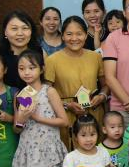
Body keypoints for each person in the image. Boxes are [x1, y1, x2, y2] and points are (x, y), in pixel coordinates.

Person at [45, 16, 108, 148]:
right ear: (62, 36)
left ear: (85, 35)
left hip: (93, 113)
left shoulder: (95, 57)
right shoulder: (52, 60)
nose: (74, 38)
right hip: (66, 115)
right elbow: (45, 93)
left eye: (79, 34)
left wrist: (101, 96)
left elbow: (105, 86)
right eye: (69, 34)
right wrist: (67, 105)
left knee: (95, 153)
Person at [0, 10, 42, 89]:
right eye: (14, 28)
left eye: (25, 28)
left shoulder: (38, 52)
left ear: (31, 31)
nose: (20, 33)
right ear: (5, 32)